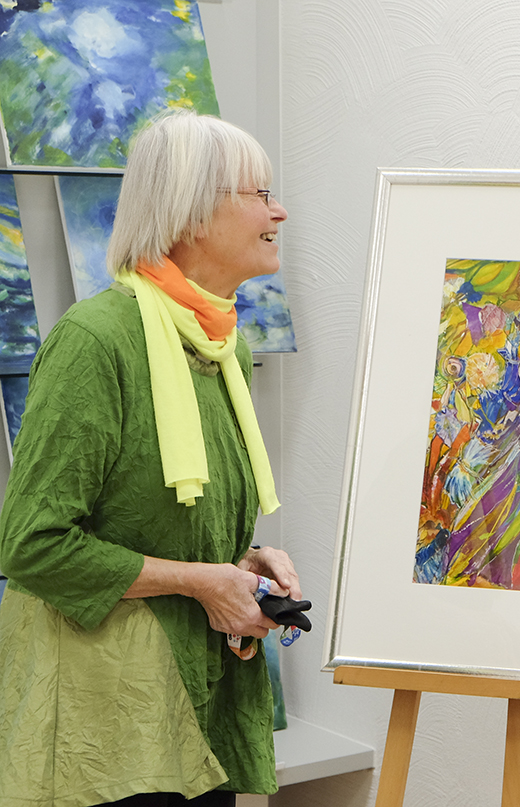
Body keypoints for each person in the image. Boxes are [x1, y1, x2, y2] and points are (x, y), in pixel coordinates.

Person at [0, 110, 300, 806]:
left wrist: (241, 565)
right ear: (192, 213)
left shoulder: (225, 348)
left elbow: (162, 516)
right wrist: (200, 579)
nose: (278, 210)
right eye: (258, 194)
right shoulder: (94, 342)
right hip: (103, 725)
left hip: (197, 704)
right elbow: (32, 546)